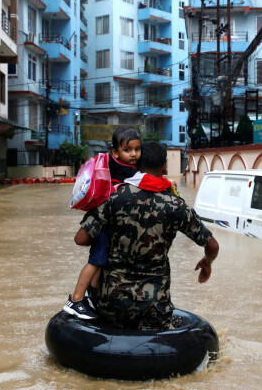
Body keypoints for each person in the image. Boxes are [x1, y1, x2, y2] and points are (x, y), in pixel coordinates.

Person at [74, 141, 219, 330]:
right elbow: (212, 245)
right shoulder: (176, 205)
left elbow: (81, 238)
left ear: (136, 166)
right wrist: (207, 262)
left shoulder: (115, 196)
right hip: (155, 308)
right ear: (165, 167)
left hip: (111, 304)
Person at [63, 127, 173, 319]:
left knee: (102, 260)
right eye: (128, 150)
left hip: (105, 220)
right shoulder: (127, 171)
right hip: (104, 222)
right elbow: (150, 182)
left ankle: (91, 295)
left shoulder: (112, 162)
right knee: (96, 261)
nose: (133, 154)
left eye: (137, 150)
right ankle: (76, 299)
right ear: (116, 153)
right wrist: (168, 184)